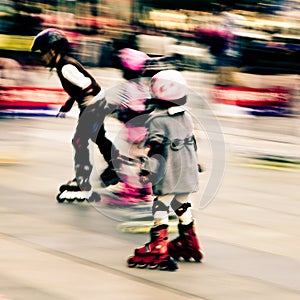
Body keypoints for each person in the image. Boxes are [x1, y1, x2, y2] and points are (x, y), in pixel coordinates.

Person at [31, 28, 120, 202]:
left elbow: (89, 86)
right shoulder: (63, 65)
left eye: (43, 52)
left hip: (92, 106)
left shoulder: (65, 66)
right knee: (99, 138)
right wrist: (70, 102)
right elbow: (80, 87)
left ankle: (82, 182)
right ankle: (117, 167)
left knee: (79, 140)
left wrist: (88, 106)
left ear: (53, 50)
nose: (42, 57)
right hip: (93, 105)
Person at [127, 70, 203, 271]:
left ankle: (158, 245)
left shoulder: (156, 120)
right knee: (182, 202)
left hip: (170, 171)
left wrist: (147, 170)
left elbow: (156, 149)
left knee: (160, 203)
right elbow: (192, 142)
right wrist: (196, 163)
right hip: (188, 169)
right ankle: (189, 241)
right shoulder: (186, 116)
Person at [103, 48, 154, 206]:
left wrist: (113, 111)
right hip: (144, 129)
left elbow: (129, 107)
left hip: (134, 131)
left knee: (127, 159)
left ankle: (131, 191)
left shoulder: (128, 87)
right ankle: (145, 189)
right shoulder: (142, 86)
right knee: (140, 159)